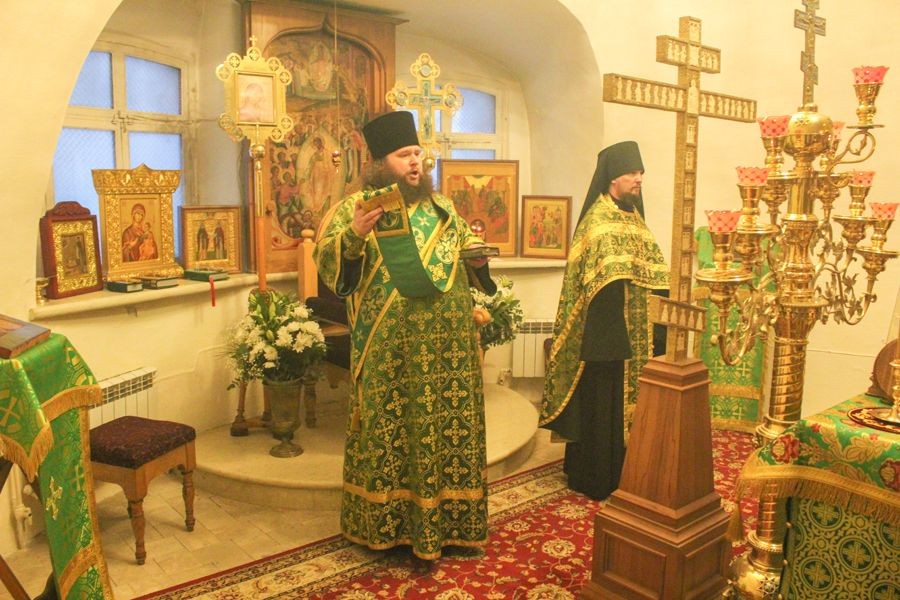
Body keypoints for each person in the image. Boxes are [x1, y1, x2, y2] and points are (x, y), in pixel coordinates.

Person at [314, 111, 496, 560]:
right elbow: (331, 268)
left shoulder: (443, 208)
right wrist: (353, 236)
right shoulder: (355, 211)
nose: (416, 162)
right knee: (391, 433)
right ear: (380, 163)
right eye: (404, 155)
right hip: (389, 349)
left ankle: (453, 524)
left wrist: (478, 263)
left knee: (447, 431)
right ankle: (387, 528)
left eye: (417, 153)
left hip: (448, 351)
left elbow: (465, 259)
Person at [540, 141, 669, 500]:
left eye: (641, 172)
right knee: (602, 407)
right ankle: (596, 476)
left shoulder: (636, 222)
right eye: (632, 173)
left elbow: (656, 275)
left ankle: (629, 472)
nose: (638, 179)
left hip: (638, 338)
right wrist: (613, 333)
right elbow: (596, 284)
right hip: (606, 339)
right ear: (613, 177)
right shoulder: (597, 221)